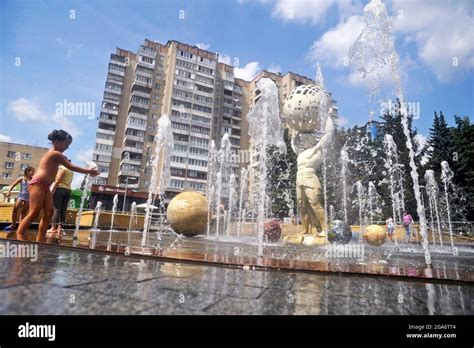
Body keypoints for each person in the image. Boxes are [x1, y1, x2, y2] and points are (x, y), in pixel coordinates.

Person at [15, 130, 99, 242]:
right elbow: (71, 166)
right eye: (66, 144)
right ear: (56, 141)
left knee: (49, 212)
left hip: (45, 186)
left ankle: (41, 237)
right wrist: (88, 171)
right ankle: (19, 234)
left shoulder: (56, 155)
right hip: (37, 184)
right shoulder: (55, 154)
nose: (67, 148)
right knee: (34, 212)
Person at [47, 162, 74, 241]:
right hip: (68, 190)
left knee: (56, 208)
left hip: (60, 189)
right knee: (63, 209)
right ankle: (60, 227)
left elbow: (58, 180)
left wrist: (52, 189)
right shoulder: (71, 170)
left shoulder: (62, 168)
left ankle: (53, 227)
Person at [3, 167, 35, 231]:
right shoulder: (21, 178)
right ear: (27, 171)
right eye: (32, 171)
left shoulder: (33, 180)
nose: (33, 172)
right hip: (21, 196)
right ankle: (13, 225)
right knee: (15, 209)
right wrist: (9, 191)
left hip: (28, 197)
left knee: (23, 212)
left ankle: (21, 226)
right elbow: (13, 185)